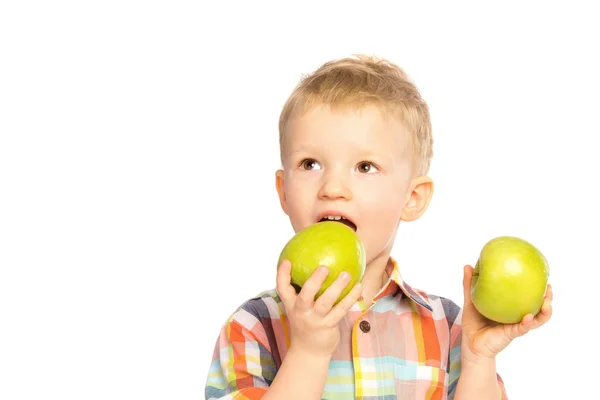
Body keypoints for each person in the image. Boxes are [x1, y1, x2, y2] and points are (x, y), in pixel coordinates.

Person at [204, 54, 553, 399]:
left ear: (412, 197)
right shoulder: (254, 325)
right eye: (310, 163)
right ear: (283, 192)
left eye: (365, 167)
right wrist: (308, 352)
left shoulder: (448, 327)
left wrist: (478, 359)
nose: (333, 188)